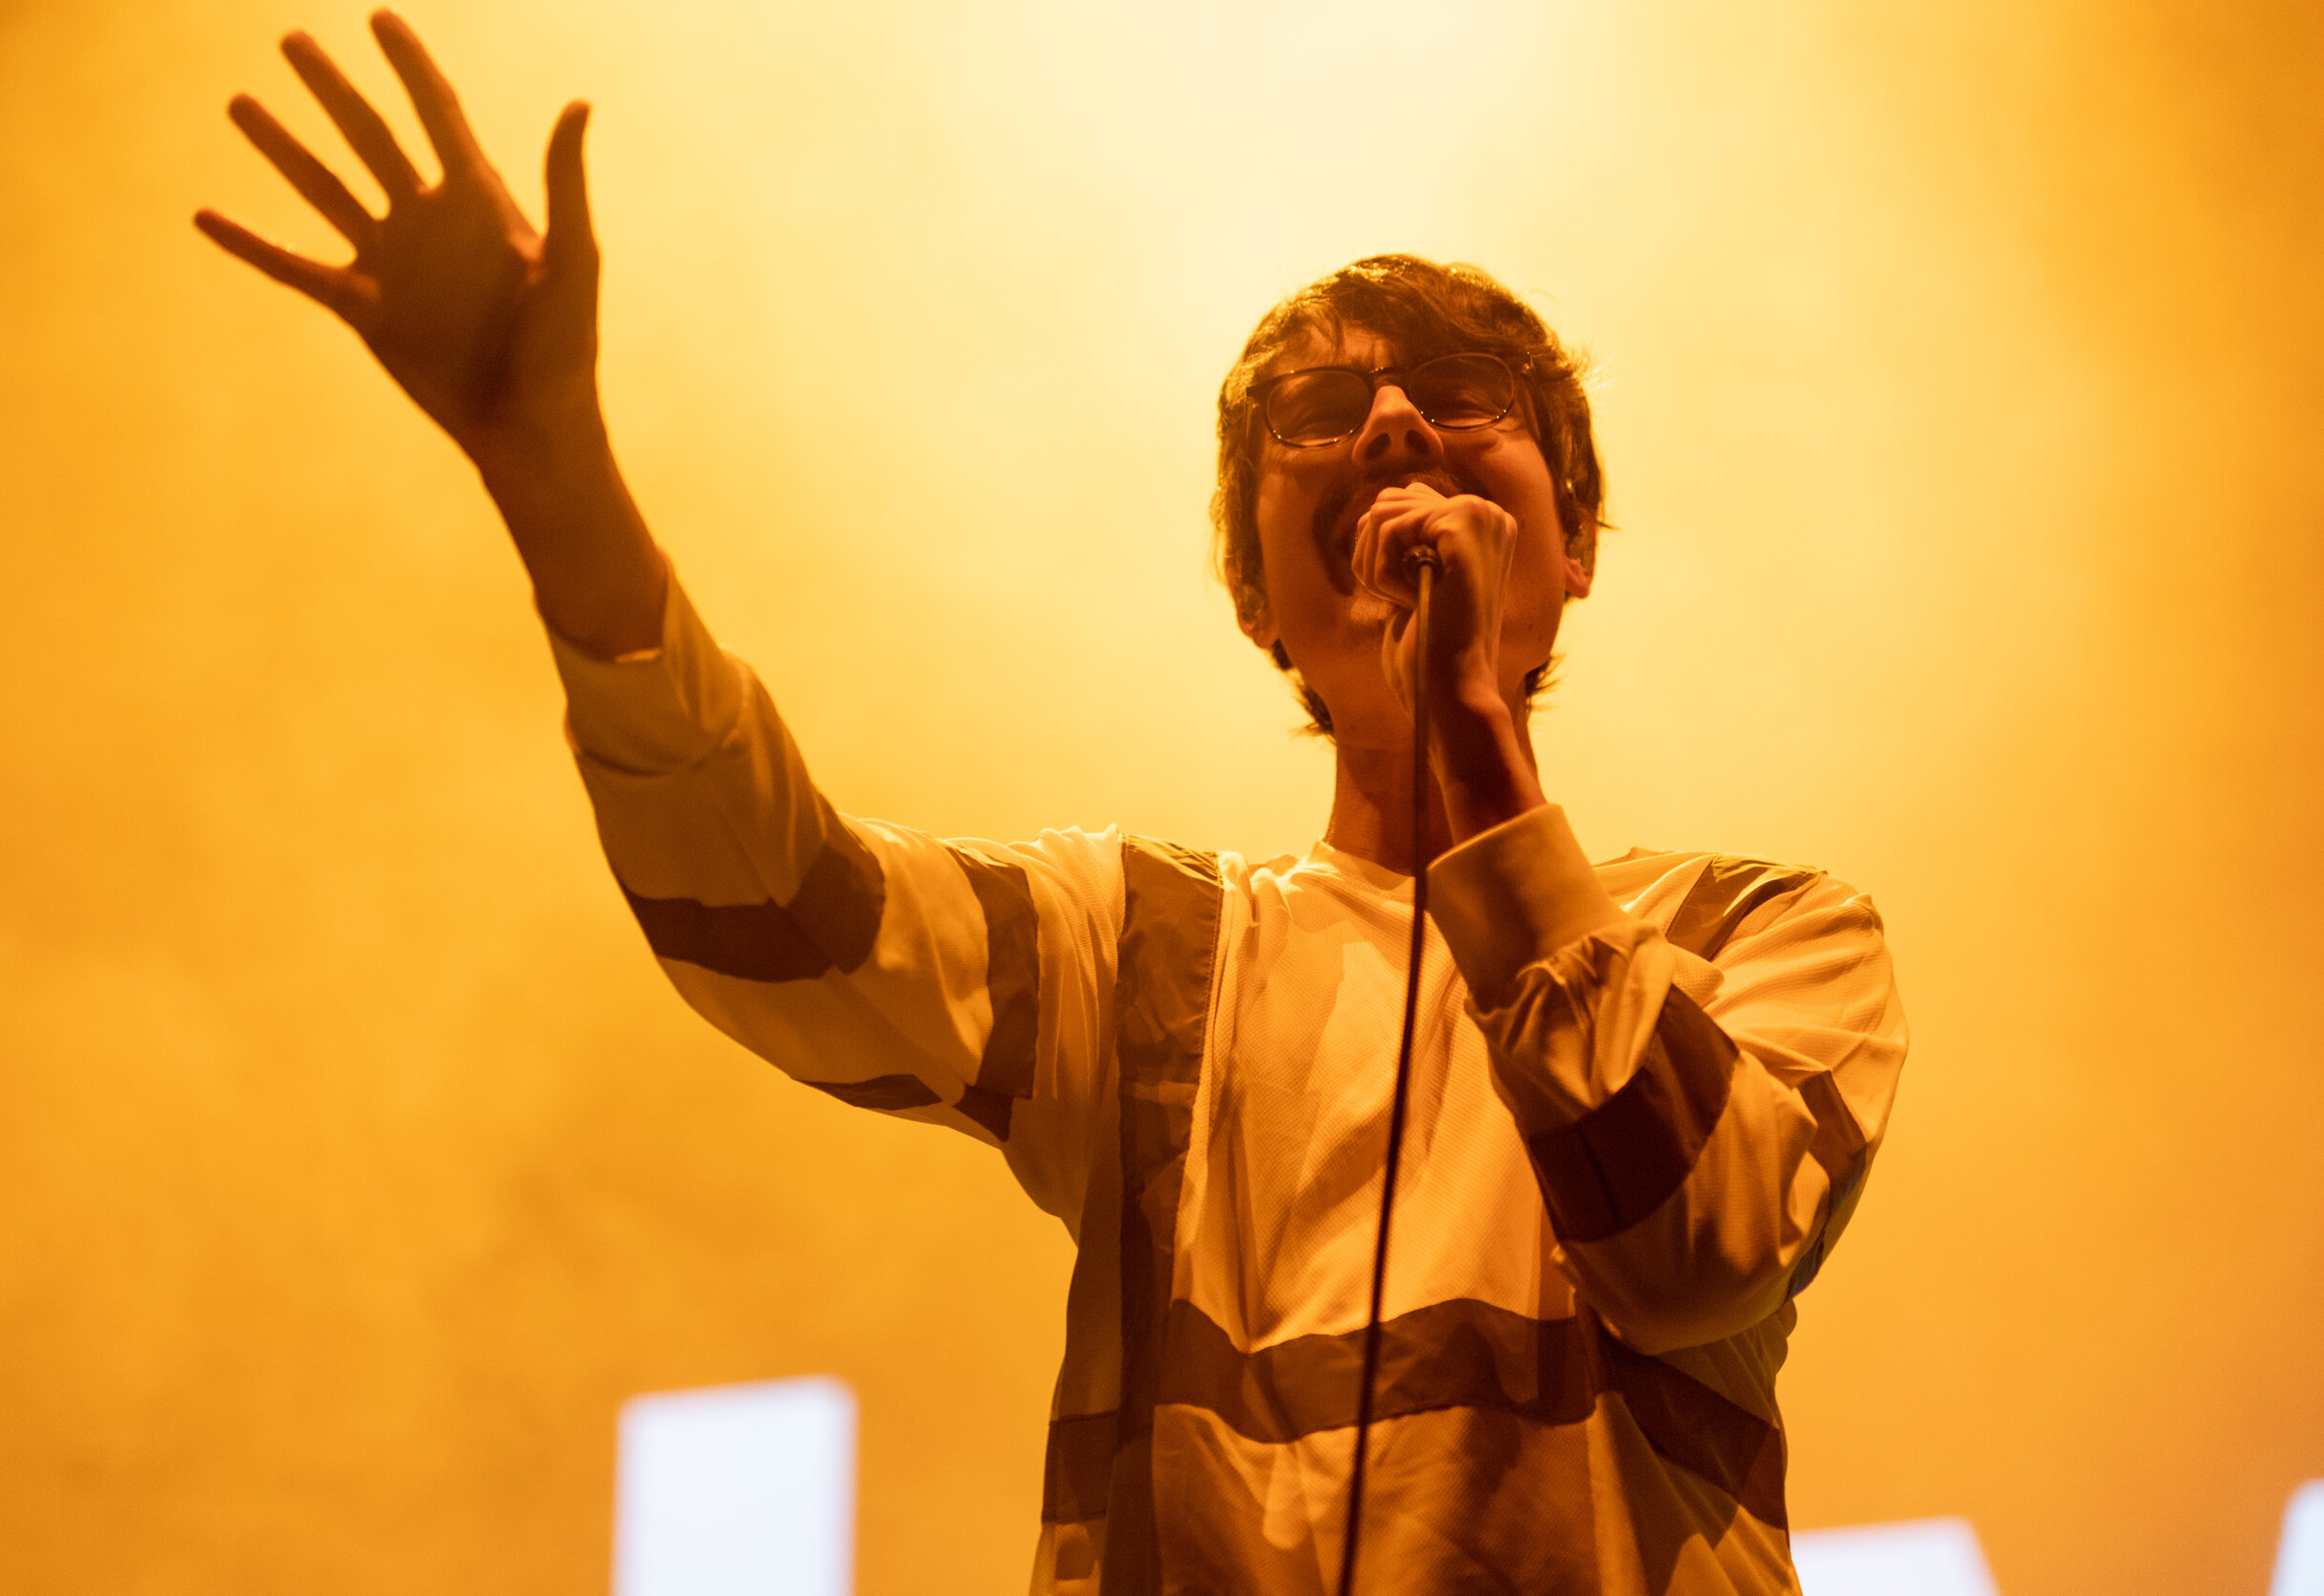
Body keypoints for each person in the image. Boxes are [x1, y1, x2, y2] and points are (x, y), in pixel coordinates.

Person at [197, 13, 1907, 1595]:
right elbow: (781, 921)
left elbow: (1694, 1249)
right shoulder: (1146, 947)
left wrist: (1467, 728)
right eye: (1326, 413)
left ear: (1578, 542)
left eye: (1467, 403)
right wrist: (554, 468)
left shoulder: (1764, 936)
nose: (1395, 422)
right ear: (1252, 594)